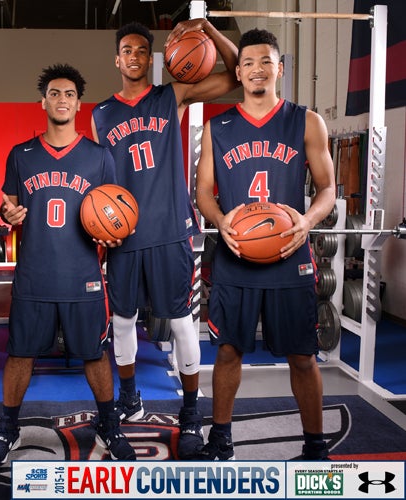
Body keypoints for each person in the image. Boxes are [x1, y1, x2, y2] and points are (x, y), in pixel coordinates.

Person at [91, 20, 239, 459]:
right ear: (117, 59)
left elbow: (233, 76)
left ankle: (191, 412)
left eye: (141, 50)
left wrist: (209, 30)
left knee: (179, 322)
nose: (133, 56)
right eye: (126, 50)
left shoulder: (169, 96)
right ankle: (131, 399)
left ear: (150, 58)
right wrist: (101, 226)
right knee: (121, 322)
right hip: (123, 237)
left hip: (171, 230)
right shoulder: (101, 114)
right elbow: (102, 180)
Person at [0, 64, 136, 468]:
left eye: (69, 93)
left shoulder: (100, 157)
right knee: (20, 355)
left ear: (79, 103)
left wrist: (112, 233)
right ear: (43, 102)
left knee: (94, 354)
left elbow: (114, 213)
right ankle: (7, 427)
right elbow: (7, 202)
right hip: (34, 274)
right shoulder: (21, 155)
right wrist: (8, 211)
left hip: (82, 276)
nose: (62, 99)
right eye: (54, 93)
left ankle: (109, 424)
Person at [195, 28, 336, 460]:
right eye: (249, 63)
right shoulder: (217, 126)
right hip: (237, 258)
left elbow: (328, 188)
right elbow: (202, 192)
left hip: (290, 258)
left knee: (303, 357)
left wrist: (306, 221)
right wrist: (221, 221)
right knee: (227, 353)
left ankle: (314, 446)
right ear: (238, 71)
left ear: (280, 68)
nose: (257, 69)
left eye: (265, 62)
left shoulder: (307, 120)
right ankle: (220, 438)